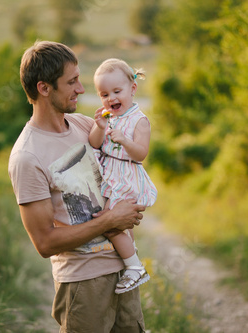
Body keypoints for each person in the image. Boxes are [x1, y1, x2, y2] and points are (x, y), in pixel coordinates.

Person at [8, 41, 147, 332]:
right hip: (83, 284)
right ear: (44, 88)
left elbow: (125, 165)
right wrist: (110, 220)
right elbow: (44, 243)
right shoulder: (27, 156)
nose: (81, 89)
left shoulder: (85, 125)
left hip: (123, 272)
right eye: (72, 82)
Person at [89, 58, 157, 295]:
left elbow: (141, 154)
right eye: (104, 94)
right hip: (111, 175)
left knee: (111, 224)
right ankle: (130, 252)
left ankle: (135, 267)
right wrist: (99, 126)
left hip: (127, 176)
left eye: (117, 91)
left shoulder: (140, 121)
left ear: (132, 89)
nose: (111, 99)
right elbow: (94, 143)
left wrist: (125, 140)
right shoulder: (109, 118)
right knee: (118, 225)